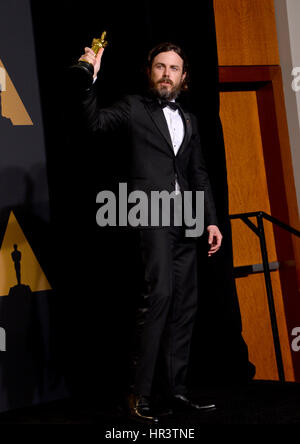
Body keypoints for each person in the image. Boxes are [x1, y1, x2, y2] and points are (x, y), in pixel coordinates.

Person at [76, 41, 222, 423]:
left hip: (187, 216)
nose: (166, 74)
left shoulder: (190, 119)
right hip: (151, 212)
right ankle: (138, 392)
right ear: (150, 71)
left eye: (173, 68)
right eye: (160, 67)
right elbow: (93, 123)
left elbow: (199, 173)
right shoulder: (134, 107)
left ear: (184, 77)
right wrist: (89, 79)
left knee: (184, 305)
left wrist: (209, 220)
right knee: (159, 295)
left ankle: (175, 390)